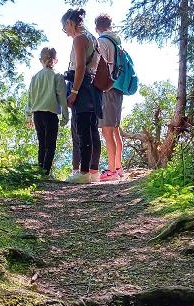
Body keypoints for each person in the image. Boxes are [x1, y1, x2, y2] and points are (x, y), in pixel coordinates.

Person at [62, 8, 102, 184]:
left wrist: (74, 92)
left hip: (82, 87)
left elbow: (79, 67)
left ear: (70, 23)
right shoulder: (92, 38)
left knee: (83, 129)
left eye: (65, 27)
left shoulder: (79, 38)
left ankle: (84, 172)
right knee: (92, 129)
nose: (66, 32)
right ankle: (93, 171)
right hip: (92, 87)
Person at [26, 47, 69, 177]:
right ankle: (45, 172)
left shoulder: (35, 77)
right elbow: (62, 97)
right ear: (55, 60)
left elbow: (30, 97)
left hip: (37, 114)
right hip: (50, 115)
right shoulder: (58, 76)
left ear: (40, 60)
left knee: (41, 144)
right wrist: (65, 116)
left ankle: (40, 171)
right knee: (50, 145)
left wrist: (28, 115)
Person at [95, 14, 124, 181]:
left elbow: (99, 66)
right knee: (115, 128)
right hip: (118, 87)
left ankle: (112, 171)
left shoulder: (102, 42)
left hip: (107, 88)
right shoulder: (116, 41)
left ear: (97, 27)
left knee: (107, 130)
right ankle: (118, 167)